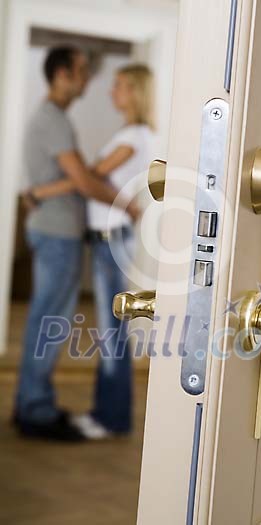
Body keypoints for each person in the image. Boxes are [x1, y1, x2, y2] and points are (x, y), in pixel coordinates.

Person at [24, 64, 156, 439]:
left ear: (136, 92)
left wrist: (40, 192)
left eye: (119, 87)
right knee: (110, 330)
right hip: (106, 238)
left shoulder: (135, 135)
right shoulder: (129, 133)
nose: (111, 92)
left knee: (113, 331)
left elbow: (89, 177)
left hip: (113, 239)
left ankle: (111, 419)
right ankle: (107, 415)